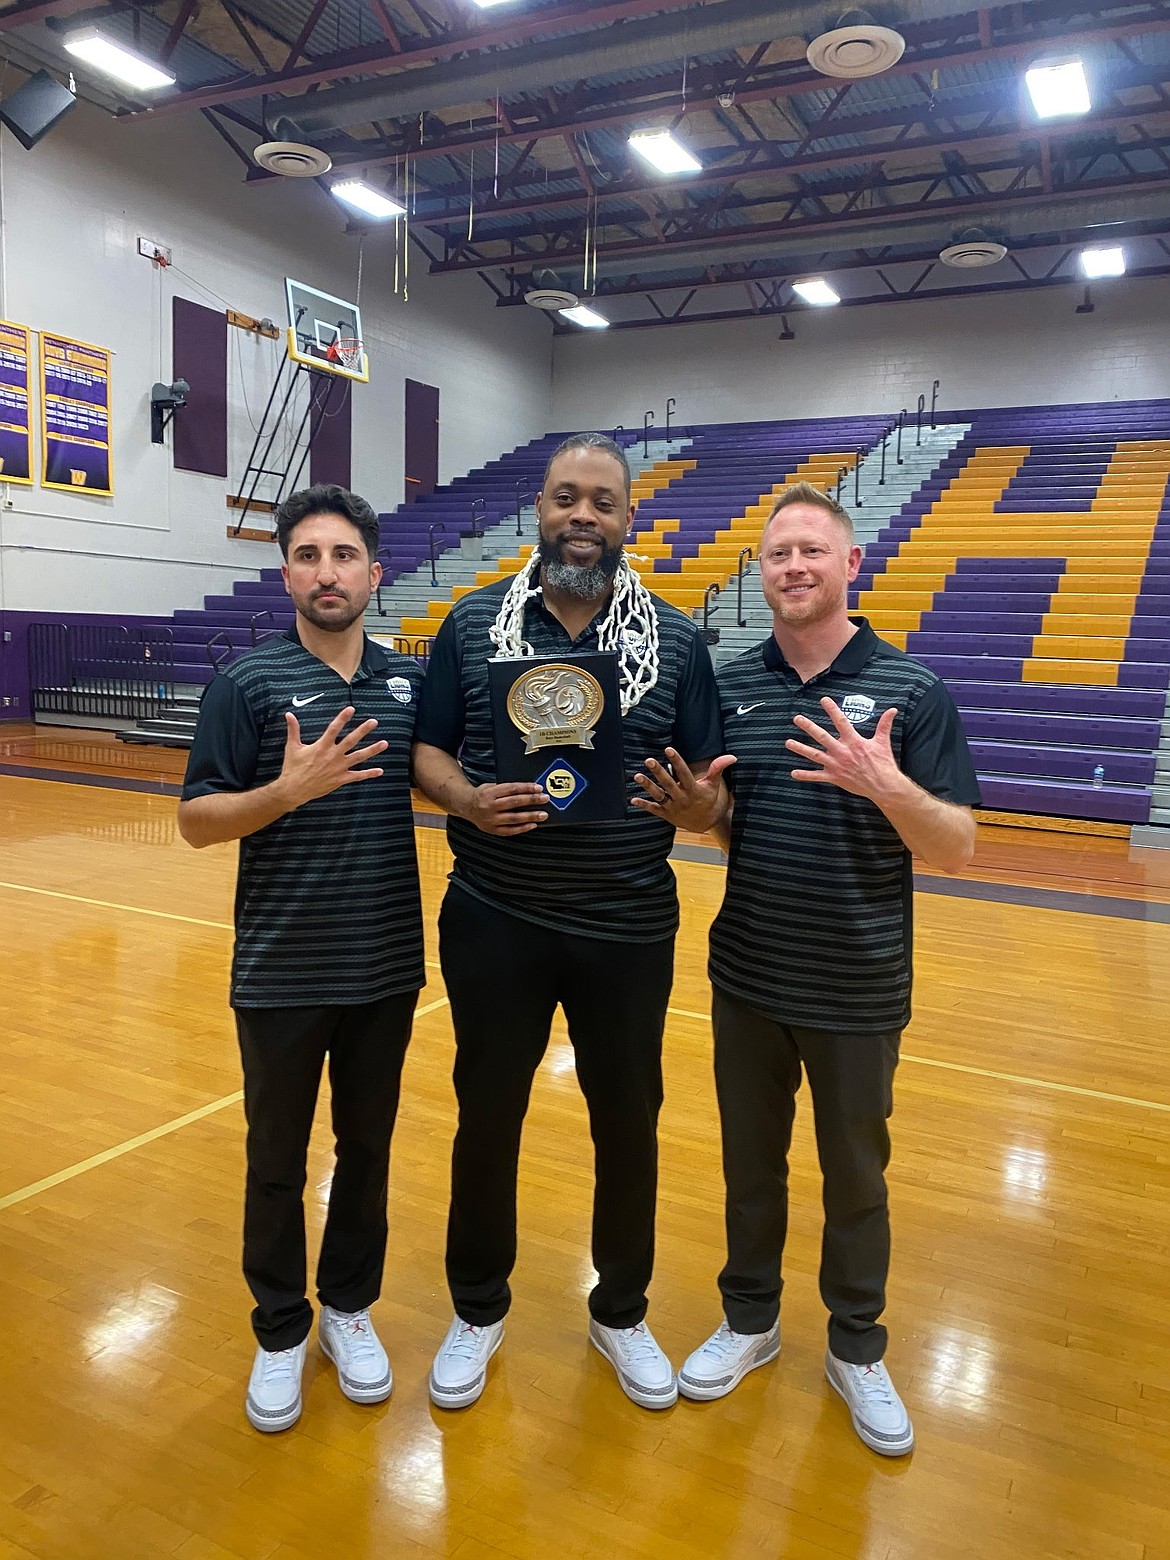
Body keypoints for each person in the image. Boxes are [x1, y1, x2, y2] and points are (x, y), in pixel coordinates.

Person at [634, 480, 979, 1455]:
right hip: (746, 976)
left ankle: (856, 1346)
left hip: (858, 986)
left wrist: (889, 786)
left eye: (811, 552)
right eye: (778, 553)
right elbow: (729, 820)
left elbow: (955, 845)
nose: (792, 567)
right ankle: (750, 1321)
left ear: (850, 565)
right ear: (763, 570)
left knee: (855, 1177)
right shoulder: (730, 683)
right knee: (751, 1168)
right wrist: (703, 818)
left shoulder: (912, 693)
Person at [411, 432, 723, 1412]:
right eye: (564, 498)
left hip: (627, 924)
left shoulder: (676, 642)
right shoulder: (471, 627)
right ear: (537, 510)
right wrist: (463, 799)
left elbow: (714, 793)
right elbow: (423, 751)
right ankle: (477, 1306)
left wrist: (699, 812)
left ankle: (621, 1309)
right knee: (487, 1114)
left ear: (630, 519)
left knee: (627, 1120)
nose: (581, 516)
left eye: (602, 501)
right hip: (494, 915)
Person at [178, 483, 425, 1434]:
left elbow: (441, 771)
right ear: (287, 572)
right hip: (281, 968)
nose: (328, 572)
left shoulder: (406, 683)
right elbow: (199, 822)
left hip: (384, 966)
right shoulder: (246, 686)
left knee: (365, 1152)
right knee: (276, 1158)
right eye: (309, 556)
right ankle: (281, 1326)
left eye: (344, 555)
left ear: (374, 571)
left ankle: (348, 1309)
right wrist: (287, 790)